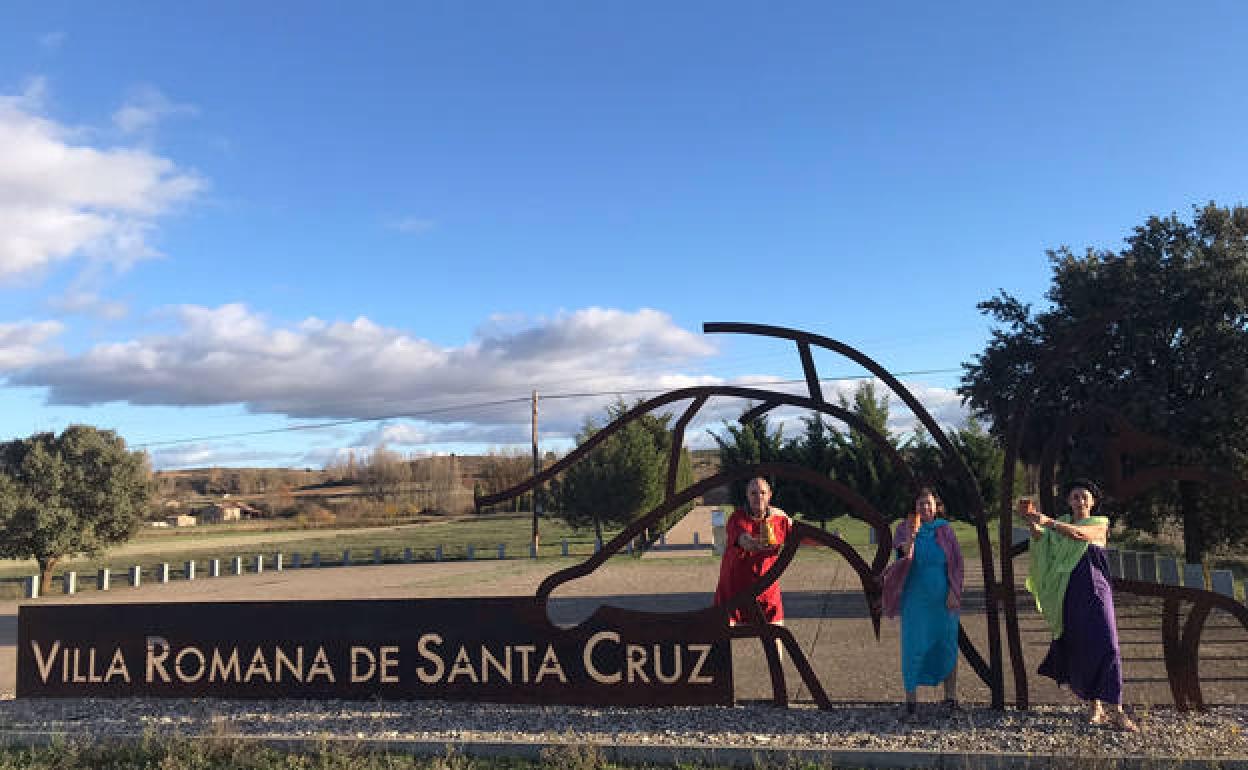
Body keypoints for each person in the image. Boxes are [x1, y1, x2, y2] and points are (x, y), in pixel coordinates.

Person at [1021, 480, 1138, 732]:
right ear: (1069, 501)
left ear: (1093, 502)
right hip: (1069, 593)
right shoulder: (1061, 523)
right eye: (1075, 497)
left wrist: (1048, 521)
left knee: (1109, 644)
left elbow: (1080, 535)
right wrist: (1031, 521)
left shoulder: (1099, 523)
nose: (1080, 501)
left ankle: (1116, 708)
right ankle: (1094, 706)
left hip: (1096, 592)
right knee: (1081, 646)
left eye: (1084, 497)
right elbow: (1043, 541)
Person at [881, 486, 964, 717]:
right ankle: (911, 702)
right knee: (913, 647)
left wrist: (954, 592)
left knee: (946, 645)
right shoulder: (903, 529)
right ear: (914, 507)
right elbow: (903, 559)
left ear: (937, 507)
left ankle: (950, 697)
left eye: (929, 503)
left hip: (943, 598)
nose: (925, 507)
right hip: (915, 600)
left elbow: (957, 564)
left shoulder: (945, 530)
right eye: (920, 503)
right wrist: (912, 537)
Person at [713, 477, 791, 627]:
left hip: (766, 593)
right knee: (721, 642)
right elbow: (744, 541)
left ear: (770, 495)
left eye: (763, 492)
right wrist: (758, 544)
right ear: (747, 496)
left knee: (775, 642)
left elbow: (800, 536)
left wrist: (828, 540)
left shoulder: (780, 520)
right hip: (733, 593)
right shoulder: (737, 519)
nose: (759, 497)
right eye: (753, 493)